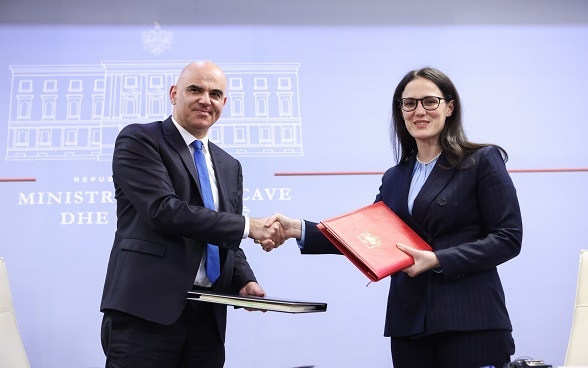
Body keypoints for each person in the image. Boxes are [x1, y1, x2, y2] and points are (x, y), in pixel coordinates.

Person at [267, 67, 523, 368]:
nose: (419, 111)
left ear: (449, 107)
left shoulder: (481, 160)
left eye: (430, 101)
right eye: (409, 103)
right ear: (400, 111)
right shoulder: (395, 177)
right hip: (409, 325)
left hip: (470, 320)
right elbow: (365, 237)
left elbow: (507, 238)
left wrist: (438, 259)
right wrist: (299, 229)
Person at [100, 60, 284, 368]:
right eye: (195, 90)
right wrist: (248, 226)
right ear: (174, 94)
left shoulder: (229, 165)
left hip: (208, 316)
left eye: (215, 93)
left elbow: (226, 236)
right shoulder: (140, 140)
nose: (205, 100)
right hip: (146, 313)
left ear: (224, 103)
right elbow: (163, 210)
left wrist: (243, 281)